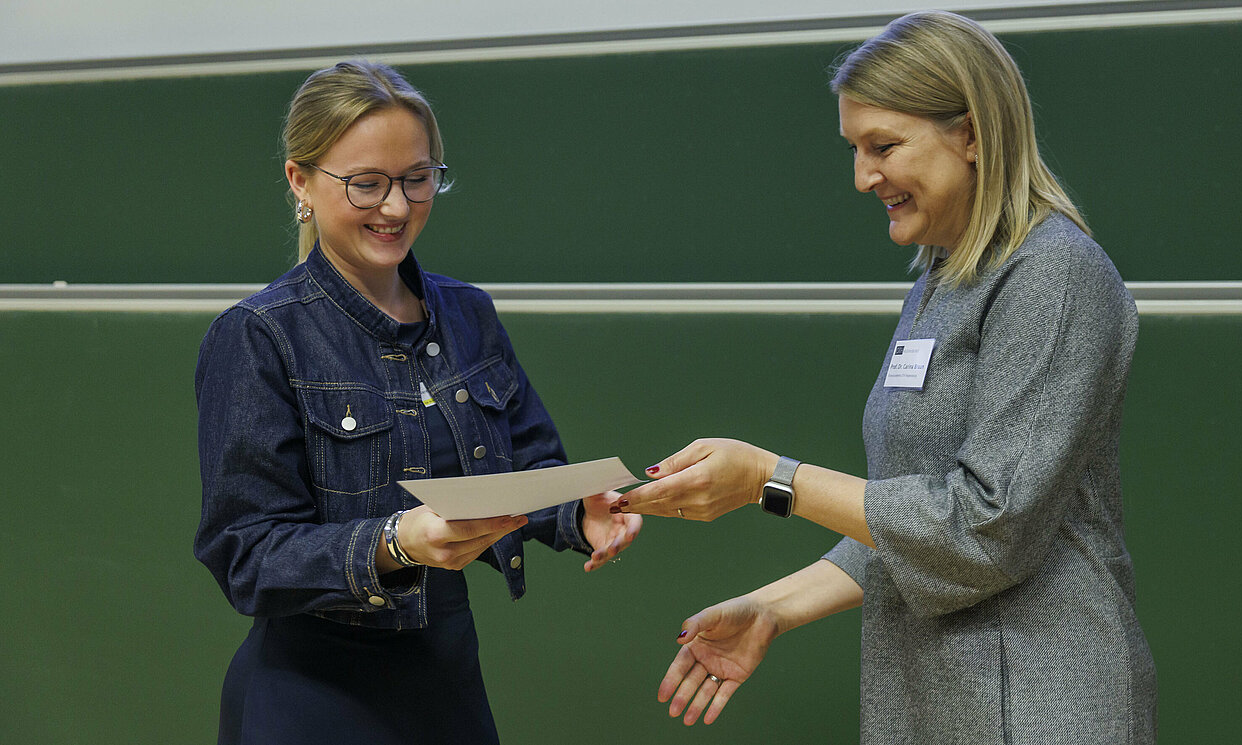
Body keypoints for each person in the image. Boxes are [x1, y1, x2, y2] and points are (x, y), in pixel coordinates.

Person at [615, 11, 1155, 744]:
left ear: (971, 134)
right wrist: (776, 606)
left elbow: (981, 529)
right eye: (854, 148)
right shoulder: (946, 273)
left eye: (884, 146)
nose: (864, 176)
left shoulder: (1053, 275)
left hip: (1033, 702)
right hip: (935, 697)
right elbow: (914, 520)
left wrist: (772, 479)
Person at [193, 60, 641, 745]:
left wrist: (581, 510)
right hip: (311, 697)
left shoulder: (468, 314)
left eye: (418, 177)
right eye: (367, 183)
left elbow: (525, 467)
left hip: (445, 681)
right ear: (300, 182)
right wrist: (395, 543)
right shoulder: (259, 334)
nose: (397, 207)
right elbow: (247, 555)